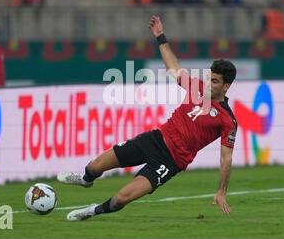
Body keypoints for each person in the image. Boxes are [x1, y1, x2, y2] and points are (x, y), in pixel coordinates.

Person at [58, 15, 238, 221]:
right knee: (95, 166)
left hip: (170, 161)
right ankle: (85, 179)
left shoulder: (227, 120)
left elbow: (226, 158)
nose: (208, 83)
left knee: (121, 198)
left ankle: (92, 210)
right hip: (154, 139)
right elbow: (173, 67)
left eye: (214, 81)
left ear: (225, 86)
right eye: (208, 77)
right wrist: (160, 36)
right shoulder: (196, 87)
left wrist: (222, 191)